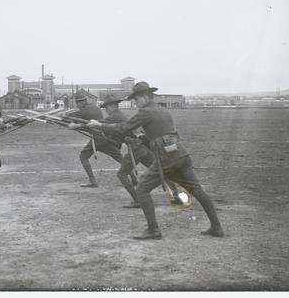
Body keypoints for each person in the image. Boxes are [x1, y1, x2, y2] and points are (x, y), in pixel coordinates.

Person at [87, 81, 224, 240]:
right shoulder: (162, 110)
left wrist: (99, 125)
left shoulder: (146, 112)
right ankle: (217, 227)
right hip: (180, 153)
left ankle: (153, 230)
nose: (135, 103)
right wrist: (144, 139)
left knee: (142, 189)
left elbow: (123, 128)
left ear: (144, 97)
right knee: (197, 190)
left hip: (166, 157)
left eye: (136, 99)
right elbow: (162, 133)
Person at [67, 92, 124, 188]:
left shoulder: (84, 111)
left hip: (97, 139)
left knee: (83, 156)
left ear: (80, 102)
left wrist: (73, 124)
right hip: (105, 138)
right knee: (120, 158)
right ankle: (134, 179)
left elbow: (70, 116)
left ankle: (93, 181)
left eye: (77, 103)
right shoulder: (95, 108)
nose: (77, 105)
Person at [121, 133, 184, 208]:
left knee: (121, 174)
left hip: (140, 147)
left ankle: (138, 200)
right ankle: (177, 195)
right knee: (162, 170)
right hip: (146, 147)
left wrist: (131, 139)